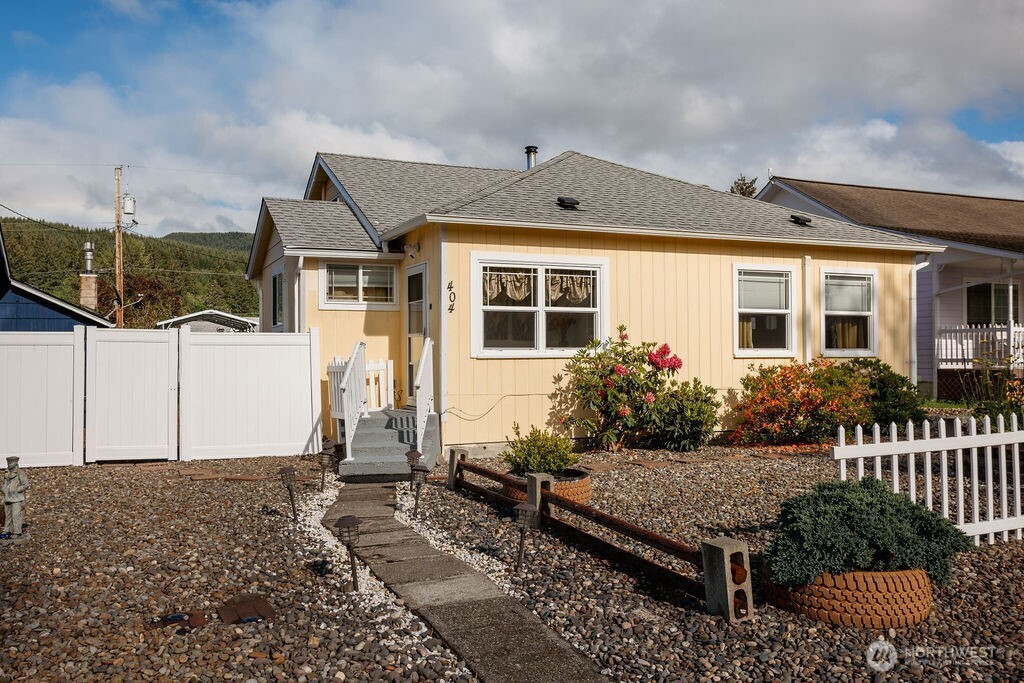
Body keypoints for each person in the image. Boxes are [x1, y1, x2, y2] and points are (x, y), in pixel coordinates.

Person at [2, 456, 30, 538]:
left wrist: (17, 490)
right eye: (8, 462)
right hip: (7, 497)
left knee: (16, 514)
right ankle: (7, 530)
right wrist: (3, 488)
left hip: (16, 497)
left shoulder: (20, 473)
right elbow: (5, 483)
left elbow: (26, 484)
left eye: (11, 462)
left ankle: (17, 531)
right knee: (8, 514)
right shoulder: (6, 473)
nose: (9, 464)